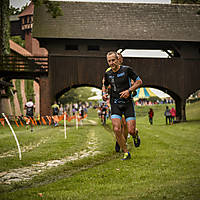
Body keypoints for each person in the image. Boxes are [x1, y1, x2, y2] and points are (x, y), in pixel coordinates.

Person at [102, 51, 143, 160]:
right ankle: (126, 152)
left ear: (118, 60)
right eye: (109, 61)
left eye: (113, 60)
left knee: (131, 130)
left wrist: (129, 91)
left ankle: (135, 134)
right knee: (116, 129)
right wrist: (104, 94)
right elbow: (105, 85)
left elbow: (139, 82)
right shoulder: (107, 74)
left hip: (127, 103)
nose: (111, 63)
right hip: (115, 103)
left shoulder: (127, 70)